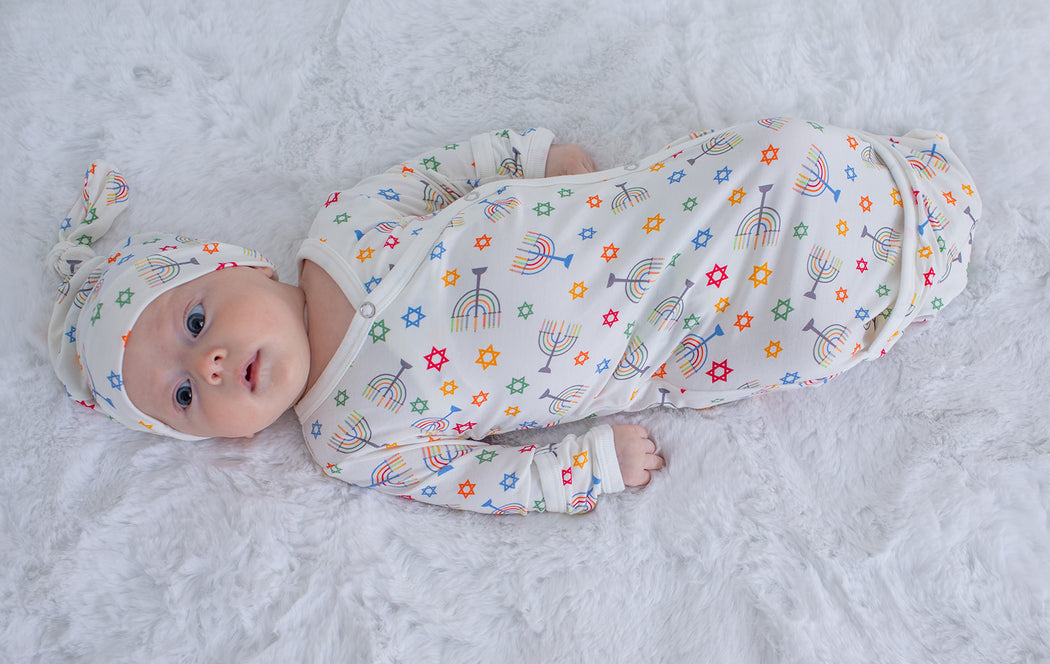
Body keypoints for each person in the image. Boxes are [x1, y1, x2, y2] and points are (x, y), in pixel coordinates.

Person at [48, 117, 981, 514]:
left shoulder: (336, 231)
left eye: (198, 323)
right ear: (214, 439)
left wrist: (533, 157)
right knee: (791, 323)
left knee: (775, 166)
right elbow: (475, 479)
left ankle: (885, 184)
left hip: (636, 216)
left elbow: (450, 171)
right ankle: (902, 277)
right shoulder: (349, 441)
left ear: (233, 266)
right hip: (650, 340)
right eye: (180, 394)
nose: (207, 368)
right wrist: (584, 467)